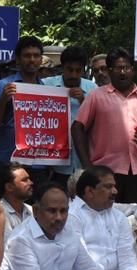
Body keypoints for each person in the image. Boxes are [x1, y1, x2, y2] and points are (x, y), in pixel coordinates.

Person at [0, 182, 116, 270]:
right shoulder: (20, 240)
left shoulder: (69, 232)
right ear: (36, 210)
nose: (59, 217)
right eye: (52, 211)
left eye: (63, 211)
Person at [72, 47, 137, 208]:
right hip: (107, 172)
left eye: (126, 68)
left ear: (132, 70)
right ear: (109, 71)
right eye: (118, 68)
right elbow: (77, 127)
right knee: (106, 218)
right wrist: (87, 165)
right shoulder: (96, 96)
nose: (123, 72)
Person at [68, 166, 137, 270]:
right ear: (89, 191)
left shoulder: (118, 217)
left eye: (114, 186)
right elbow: (83, 264)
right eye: (108, 187)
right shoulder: (72, 216)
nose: (115, 191)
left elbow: (128, 258)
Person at [0, 36, 46, 190]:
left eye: (36, 56)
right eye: (27, 56)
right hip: (9, 162)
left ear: (41, 59)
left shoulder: (48, 91)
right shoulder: (4, 86)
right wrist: (3, 100)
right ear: (18, 60)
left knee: (37, 210)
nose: (32, 60)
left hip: (38, 165)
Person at [42, 45, 98, 186]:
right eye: (69, 69)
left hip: (83, 162)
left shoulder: (92, 89)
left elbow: (99, 123)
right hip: (53, 164)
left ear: (83, 70)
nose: (73, 75)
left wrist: (83, 101)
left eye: (78, 70)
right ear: (63, 68)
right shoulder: (46, 85)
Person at [0, 163, 33, 242]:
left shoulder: (31, 211)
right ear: (9, 187)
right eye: (24, 180)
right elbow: (9, 248)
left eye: (29, 179)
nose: (30, 183)